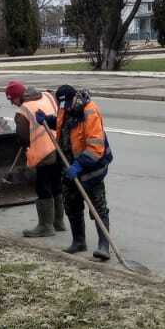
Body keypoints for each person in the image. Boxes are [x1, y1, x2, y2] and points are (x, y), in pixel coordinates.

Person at [54, 84, 113, 261]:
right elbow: (63, 127)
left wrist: (79, 166)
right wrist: (48, 120)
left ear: (74, 99)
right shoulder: (65, 108)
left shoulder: (90, 111)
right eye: (61, 105)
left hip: (91, 168)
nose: (64, 108)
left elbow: (96, 147)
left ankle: (104, 246)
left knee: (97, 206)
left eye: (66, 104)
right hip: (69, 167)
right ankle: (78, 241)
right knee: (72, 205)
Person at [5, 80, 65, 238]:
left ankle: (46, 226)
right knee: (56, 184)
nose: (12, 103)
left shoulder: (23, 110)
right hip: (59, 148)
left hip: (44, 153)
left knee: (43, 187)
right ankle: (58, 222)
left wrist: (23, 144)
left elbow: (23, 137)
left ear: (19, 96)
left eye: (12, 99)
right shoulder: (47, 96)